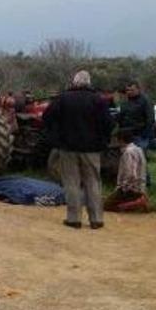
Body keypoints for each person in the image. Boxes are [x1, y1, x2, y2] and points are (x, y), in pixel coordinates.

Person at [43, 70, 114, 229]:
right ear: (89, 83)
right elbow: (109, 123)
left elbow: (47, 117)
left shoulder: (63, 98)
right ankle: (96, 219)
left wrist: (56, 138)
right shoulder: (98, 100)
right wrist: (103, 141)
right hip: (92, 149)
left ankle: (74, 218)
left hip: (68, 148)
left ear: (74, 82)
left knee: (71, 182)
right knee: (93, 182)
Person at [118, 79, 154, 186]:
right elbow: (121, 117)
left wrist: (145, 133)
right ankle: (130, 180)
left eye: (132, 90)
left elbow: (150, 118)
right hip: (127, 135)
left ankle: (145, 180)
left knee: (140, 158)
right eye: (127, 90)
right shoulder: (125, 103)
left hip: (140, 135)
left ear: (138, 89)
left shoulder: (145, 101)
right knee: (129, 159)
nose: (129, 92)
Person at [104, 128, 150, 213]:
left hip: (131, 188)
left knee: (106, 206)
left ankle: (137, 202)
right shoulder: (138, 149)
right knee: (108, 200)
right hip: (140, 186)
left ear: (121, 140)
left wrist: (123, 188)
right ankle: (137, 200)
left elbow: (131, 173)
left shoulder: (127, 153)